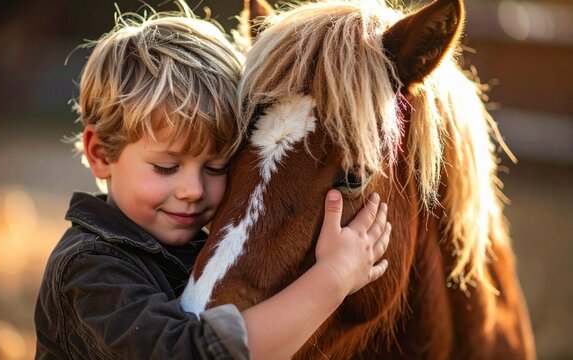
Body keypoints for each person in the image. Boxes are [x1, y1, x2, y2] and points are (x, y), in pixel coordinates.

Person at [34, 4, 391, 360]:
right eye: (166, 167)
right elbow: (191, 354)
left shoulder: (196, 246)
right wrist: (333, 278)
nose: (194, 191)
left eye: (217, 168)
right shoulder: (90, 269)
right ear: (99, 155)